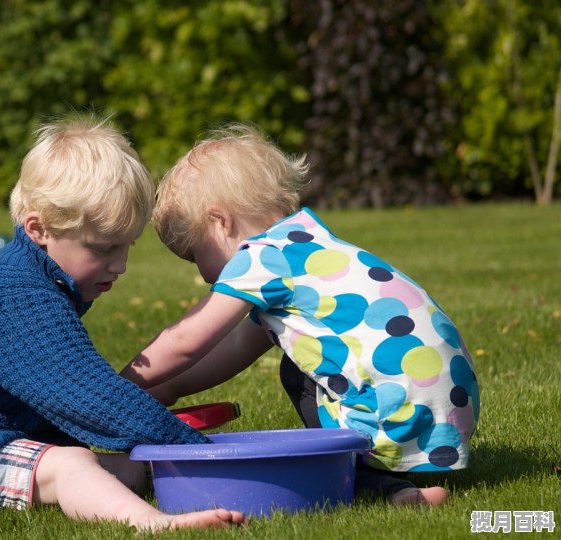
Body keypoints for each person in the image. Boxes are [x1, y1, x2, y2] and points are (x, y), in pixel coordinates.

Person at [0, 116, 247, 532]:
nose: (120, 265)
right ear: (39, 229)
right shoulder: (17, 298)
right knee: (73, 465)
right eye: (104, 248)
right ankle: (156, 525)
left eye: (127, 246)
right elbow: (91, 398)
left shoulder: (36, 278)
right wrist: (195, 451)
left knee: (126, 468)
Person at [121, 124, 480, 506]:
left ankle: (380, 485)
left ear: (220, 222)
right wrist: (169, 386)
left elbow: (184, 341)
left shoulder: (259, 257)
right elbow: (238, 347)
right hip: (446, 413)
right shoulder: (307, 245)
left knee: (296, 372)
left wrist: (119, 386)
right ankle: (412, 472)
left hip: (394, 412)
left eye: (195, 255)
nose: (203, 274)